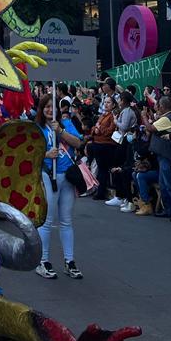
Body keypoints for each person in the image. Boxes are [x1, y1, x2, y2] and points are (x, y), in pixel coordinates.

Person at [34, 95, 84, 280]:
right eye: (45, 106)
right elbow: (29, 153)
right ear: (41, 108)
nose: (49, 109)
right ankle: (43, 260)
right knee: (47, 220)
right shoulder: (36, 127)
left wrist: (61, 132)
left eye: (52, 106)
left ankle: (69, 261)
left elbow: (79, 143)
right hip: (48, 175)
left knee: (66, 220)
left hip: (67, 176)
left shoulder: (64, 124)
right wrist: (46, 153)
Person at [146, 96, 171, 222]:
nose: (157, 108)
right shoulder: (167, 117)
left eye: (158, 106)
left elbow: (150, 128)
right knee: (163, 184)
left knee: (170, 184)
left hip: (168, 156)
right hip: (163, 155)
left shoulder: (168, 118)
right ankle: (168, 210)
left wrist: (144, 117)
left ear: (162, 107)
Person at [85, 95, 120, 200]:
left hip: (106, 145)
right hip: (97, 143)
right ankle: (98, 190)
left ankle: (101, 192)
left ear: (113, 105)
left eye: (109, 102)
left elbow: (110, 131)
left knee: (103, 170)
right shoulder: (102, 115)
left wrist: (99, 129)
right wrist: (96, 129)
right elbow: (94, 127)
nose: (106, 104)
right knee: (100, 169)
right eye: (105, 102)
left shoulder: (112, 116)